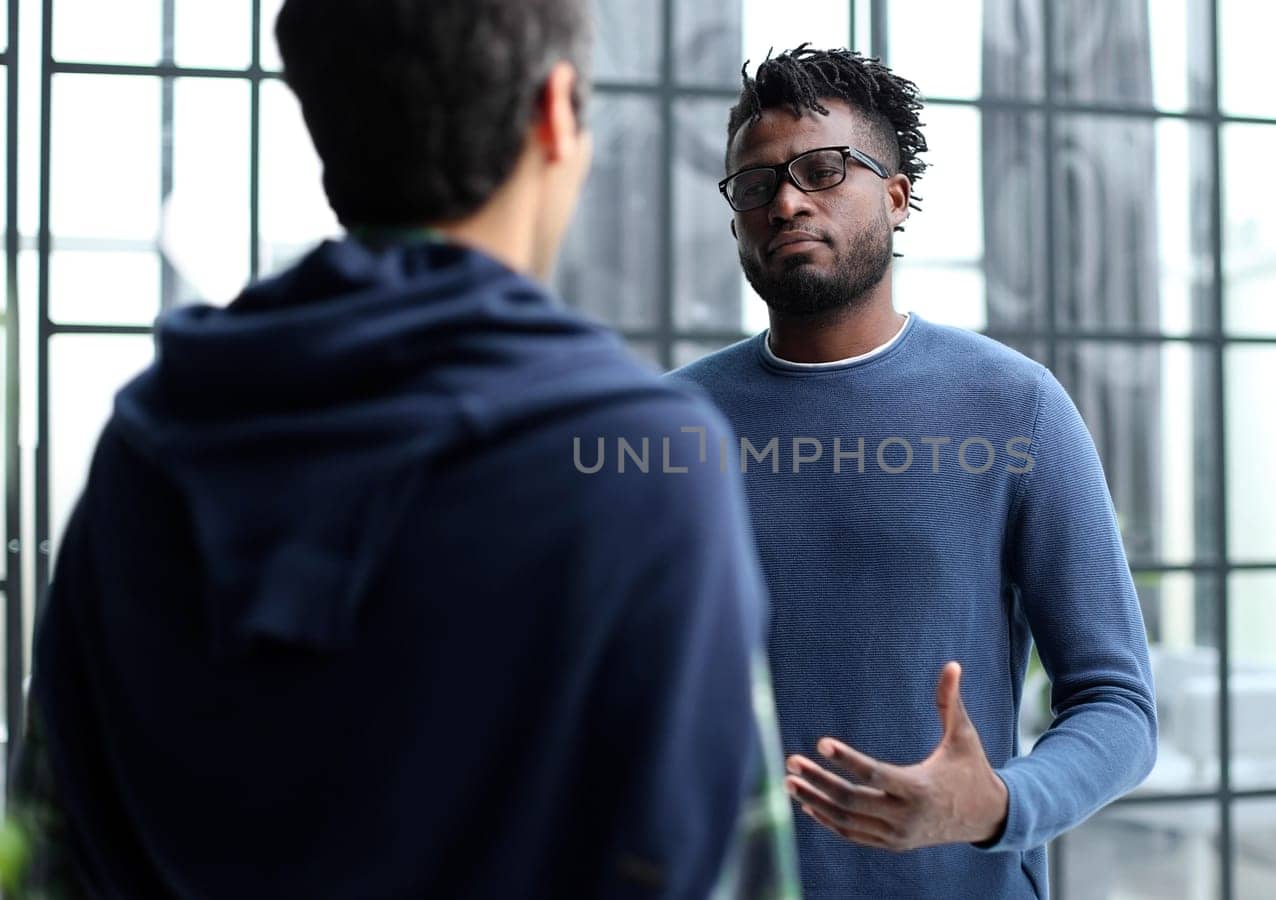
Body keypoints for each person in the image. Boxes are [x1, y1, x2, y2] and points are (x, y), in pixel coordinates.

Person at [7, 2, 796, 898]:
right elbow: (721, 868)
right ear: (555, 108)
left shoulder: (148, 442)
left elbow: (46, 845)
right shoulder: (648, 467)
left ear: (322, 114)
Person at [669, 45, 1158, 898]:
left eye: (823, 170)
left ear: (895, 199)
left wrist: (1001, 803)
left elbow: (1118, 702)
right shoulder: (670, 426)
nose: (785, 200)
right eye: (756, 185)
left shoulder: (1014, 406)